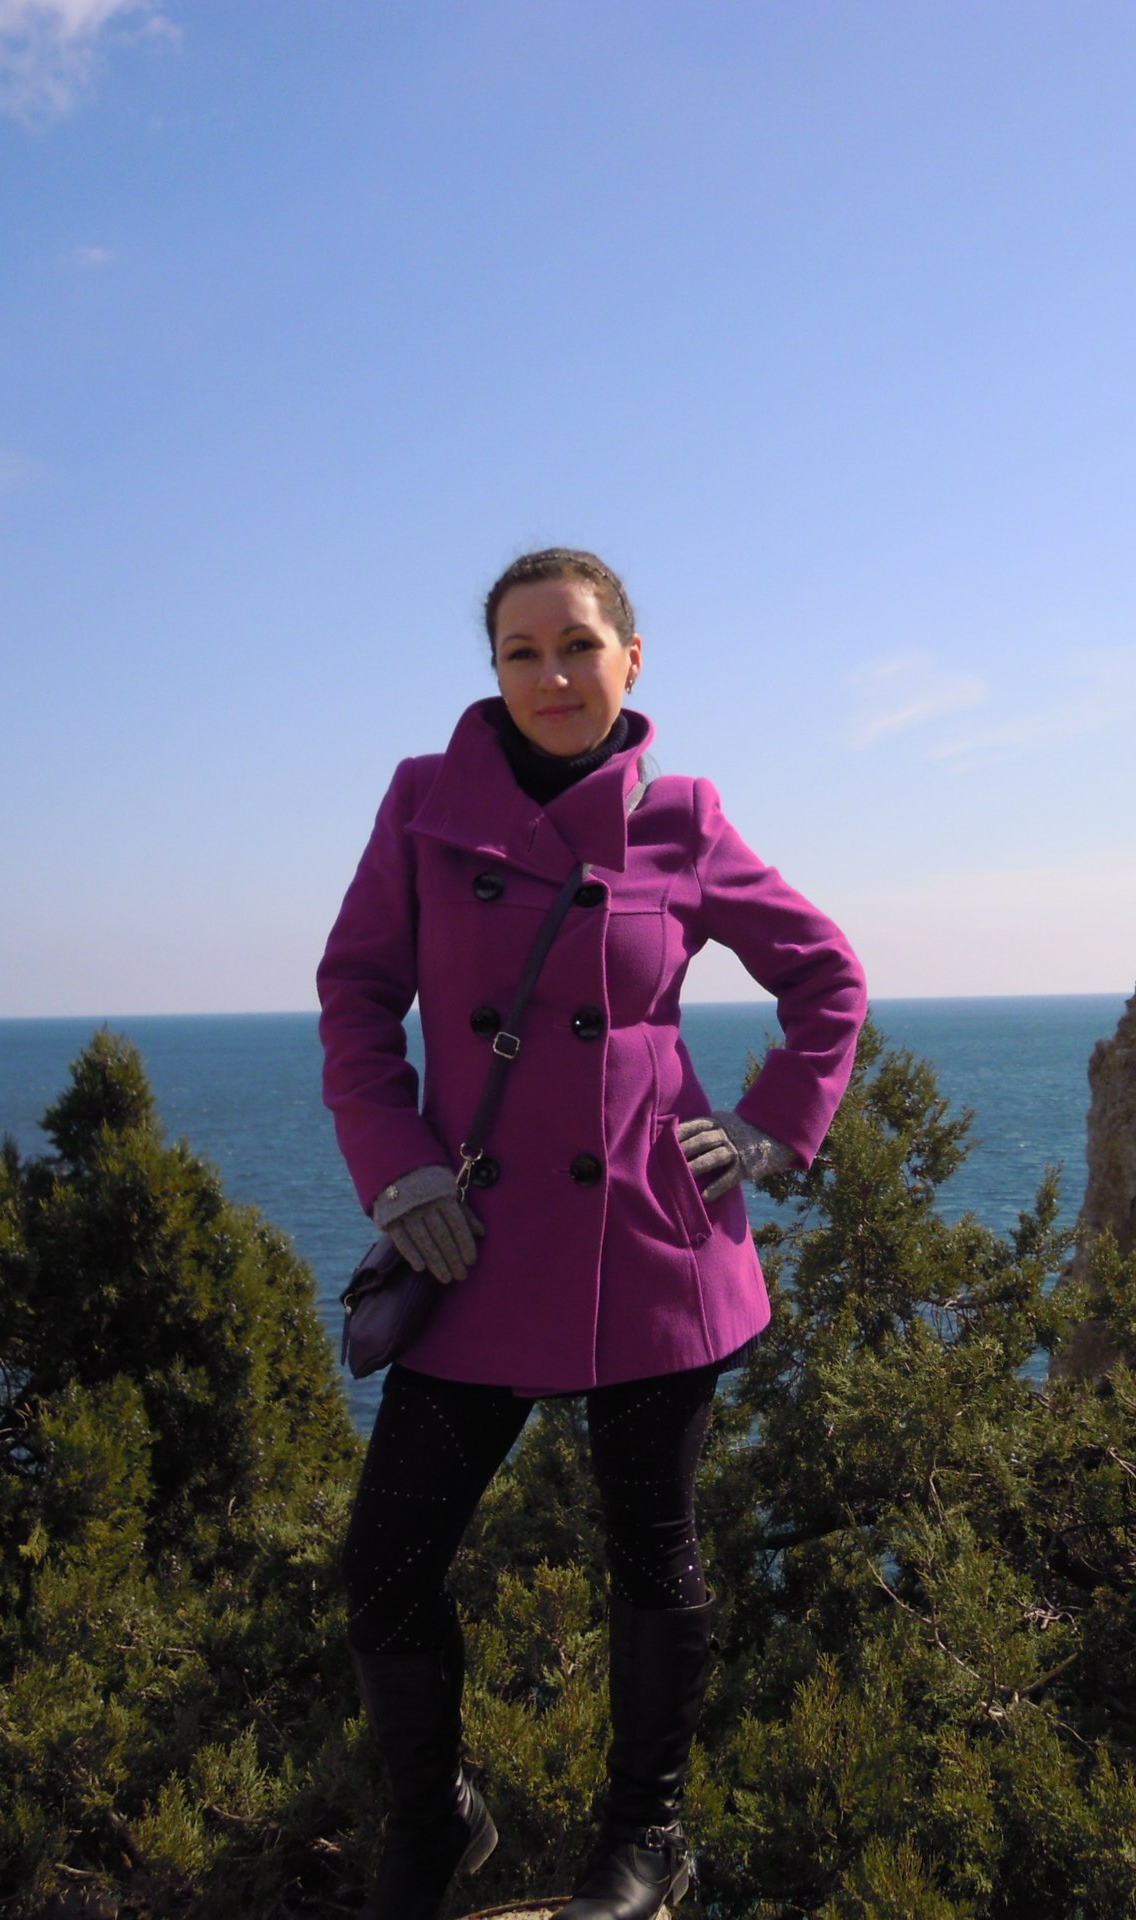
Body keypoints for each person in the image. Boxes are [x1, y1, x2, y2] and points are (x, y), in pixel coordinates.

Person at [315, 548, 867, 1919]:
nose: (551, 675)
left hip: (650, 1241)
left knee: (652, 1551)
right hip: (472, 1244)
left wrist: (769, 1128)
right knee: (384, 1564)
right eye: (521, 652)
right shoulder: (422, 803)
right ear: (494, 671)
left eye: (576, 645)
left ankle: (647, 1836)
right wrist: (399, 1171)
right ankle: (435, 1821)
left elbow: (826, 976)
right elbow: (356, 996)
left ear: (631, 658)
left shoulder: (682, 817)